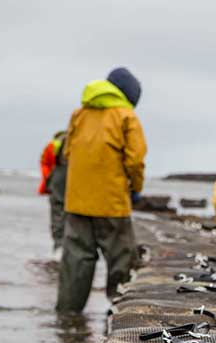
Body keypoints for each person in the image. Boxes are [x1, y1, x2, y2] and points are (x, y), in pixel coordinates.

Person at [56, 67, 147, 313]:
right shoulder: (126, 116)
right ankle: (118, 312)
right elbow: (135, 161)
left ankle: (67, 318)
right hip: (112, 202)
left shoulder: (79, 114)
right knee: (121, 260)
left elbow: (67, 153)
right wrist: (135, 188)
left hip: (76, 203)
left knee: (76, 261)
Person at [37, 130, 68, 255]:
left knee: (57, 217)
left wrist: (48, 183)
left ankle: (59, 247)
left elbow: (45, 164)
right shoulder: (75, 141)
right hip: (74, 184)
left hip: (57, 184)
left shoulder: (53, 145)